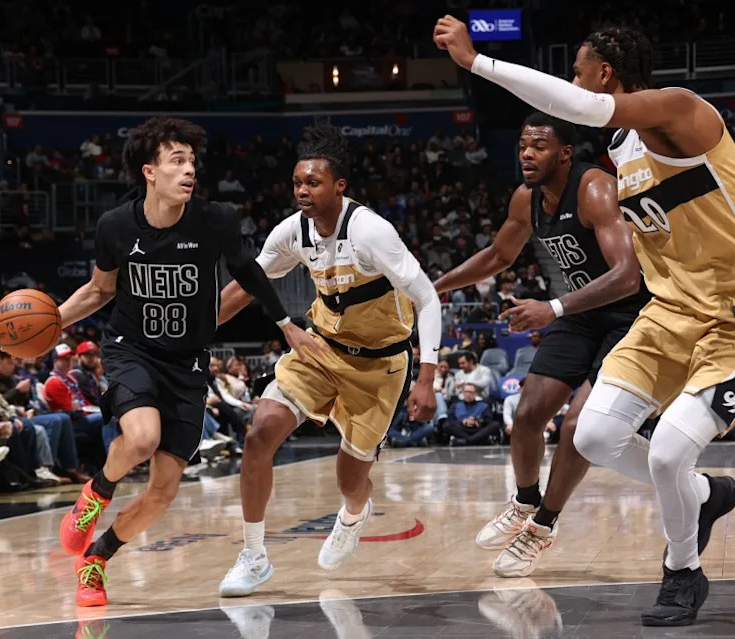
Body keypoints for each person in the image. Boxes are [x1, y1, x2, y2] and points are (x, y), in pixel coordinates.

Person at [434, 18, 735, 626]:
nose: (573, 84)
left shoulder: (683, 111)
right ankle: (706, 496)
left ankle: (682, 571)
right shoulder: (624, 155)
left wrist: (479, 64)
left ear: (604, 75)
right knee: (593, 437)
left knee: (665, 454)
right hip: (672, 313)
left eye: (578, 71)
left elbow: (581, 105)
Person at [53, 116, 319, 607]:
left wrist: (285, 324)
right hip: (132, 350)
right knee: (141, 437)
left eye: (192, 161)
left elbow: (248, 272)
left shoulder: (214, 219)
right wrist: (52, 322)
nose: (189, 169)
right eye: (177, 160)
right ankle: (97, 493)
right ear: (149, 171)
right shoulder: (115, 226)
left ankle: (96, 559)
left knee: (163, 492)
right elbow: (98, 291)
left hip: (189, 363)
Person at [216, 125, 441, 597]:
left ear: (339, 186)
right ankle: (253, 555)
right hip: (320, 348)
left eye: (313, 182)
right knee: (260, 433)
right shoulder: (291, 231)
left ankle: (353, 514)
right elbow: (250, 283)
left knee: (350, 477)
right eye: (297, 181)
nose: (302, 190)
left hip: (380, 366)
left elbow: (427, 297)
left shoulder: (372, 231)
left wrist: (427, 377)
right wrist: (195, 331)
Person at [433, 112, 650, 577]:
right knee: (529, 413)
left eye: (539, 147)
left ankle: (543, 527)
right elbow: (497, 255)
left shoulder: (595, 189)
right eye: (523, 147)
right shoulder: (525, 199)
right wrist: (436, 288)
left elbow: (628, 276)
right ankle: (525, 502)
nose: (527, 155)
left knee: (577, 425)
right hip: (580, 314)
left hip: (630, 316)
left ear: (565, 153)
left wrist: (551, 308)